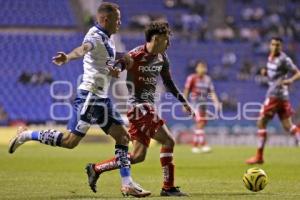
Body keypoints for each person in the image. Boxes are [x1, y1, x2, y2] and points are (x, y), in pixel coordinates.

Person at [8, 2, 150, 197]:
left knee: (123, 138)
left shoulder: (108, 38)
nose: (120, 22)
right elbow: (83, 49)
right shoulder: (94, 36)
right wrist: (67, 57)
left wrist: (119, 63)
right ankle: (25, 135)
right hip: (90, 97)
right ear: (105, 19)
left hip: (102, 97)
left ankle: (127, 184)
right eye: (117, 19)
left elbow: (104, 61)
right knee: (70, 141)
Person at [85, 21, 194, 196]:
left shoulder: (162, 58)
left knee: (137, 157)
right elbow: (121, 62)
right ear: (157, 39)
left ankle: (96, 168)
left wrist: (183, 101)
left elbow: (168, 83)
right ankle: (168, 187)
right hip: (138, 107)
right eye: (166, 40)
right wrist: (117, 68)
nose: (169, 44)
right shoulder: (136, 54)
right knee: (168, 141)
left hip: (145, 109)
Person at [246, 37, 300, 164]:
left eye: (278, 45)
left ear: (281, 47)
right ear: (270, 45)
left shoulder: (284, 59)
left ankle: (259, 156)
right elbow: (273, 74)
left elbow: (298, 73)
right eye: (273, 44)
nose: (275, 47)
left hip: (275, 96)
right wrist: (266, 73)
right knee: (288, 126)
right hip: (282, 97)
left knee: (261, 123)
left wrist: (290, 80)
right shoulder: (270, 57)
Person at [183, 61, 221, 153]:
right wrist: (184, 104)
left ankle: (195, 146)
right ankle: (203, 145)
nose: (202, 69)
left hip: (203, 104)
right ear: (196, 69)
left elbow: (211, 92)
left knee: (202, 124)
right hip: (194, 104)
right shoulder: (192, 78)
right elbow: (186, 91)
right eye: (200, 67)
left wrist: (216, 102)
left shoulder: (208, 79)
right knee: (200, 122)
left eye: (204, 67)